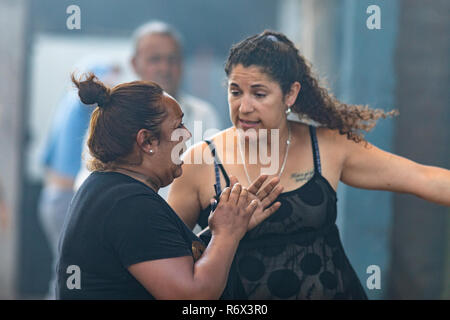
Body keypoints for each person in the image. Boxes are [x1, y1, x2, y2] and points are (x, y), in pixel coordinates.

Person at [167, 30, 450, 300]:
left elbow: (422, 178)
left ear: (290, 94)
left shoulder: (327, 146)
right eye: (235, 92)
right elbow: (162, 255)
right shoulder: (199, 162)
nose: (244, 107)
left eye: (259, 93)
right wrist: (220, 233)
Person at [56, 73, 283, 299]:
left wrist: (229, 224)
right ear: (147, 141)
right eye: (178, 126)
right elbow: (192, 296)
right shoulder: (130, 205)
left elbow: (162, 256)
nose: (187, 135)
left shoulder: (110, 191)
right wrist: (227, 234)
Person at [38, 61, 120, 299]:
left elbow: (46, 158)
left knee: (63, 267)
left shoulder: (65, 106)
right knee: (71, 272)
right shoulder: (86, 105)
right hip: (66, 199)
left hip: (51, 197)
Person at [130, 21, 221, 200]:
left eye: (172, 60)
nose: (164, 68)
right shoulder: (115, 115)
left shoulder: (204, 115)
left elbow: (214, 179)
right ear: (134, 64)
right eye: (155, 59)